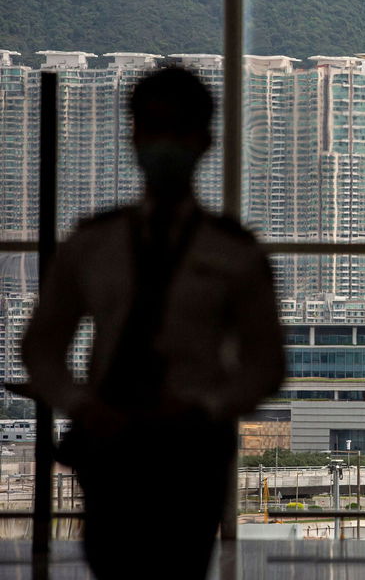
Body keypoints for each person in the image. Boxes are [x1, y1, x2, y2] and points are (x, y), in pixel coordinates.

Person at [22, 67, 285, 580]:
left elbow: (265, 363)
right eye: (154, 128)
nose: (165, 144)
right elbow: (41, 346)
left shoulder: (234, 253)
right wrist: (83, 406)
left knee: (181, 564)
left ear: (205, 141)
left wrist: (204, 408)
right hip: (110, 444)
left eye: (178, 129)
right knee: (110, 564)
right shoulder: (93, 245)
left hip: (191, 448)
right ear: (134, 136)